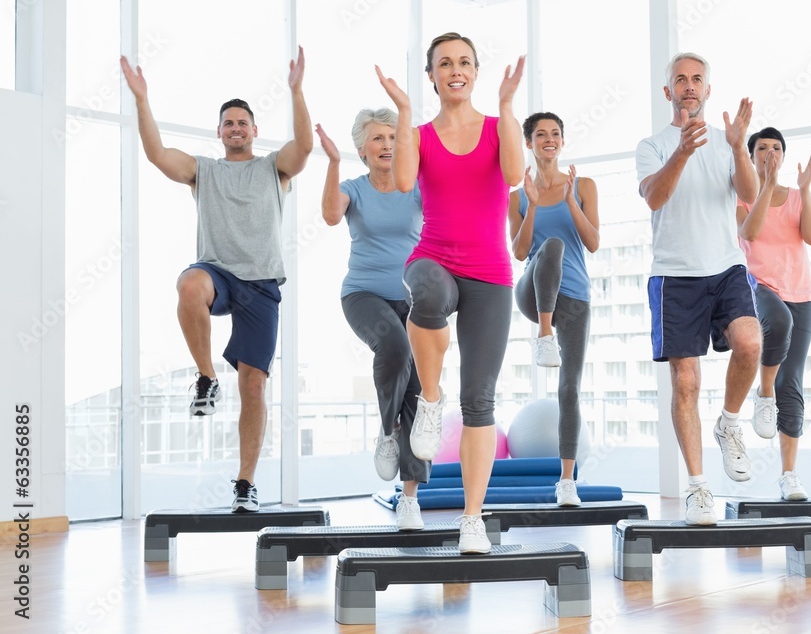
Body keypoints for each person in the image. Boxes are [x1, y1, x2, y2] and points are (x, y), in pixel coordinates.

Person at [120, 47, 313, 513]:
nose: (235, 128)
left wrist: (296, 90)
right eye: (228, 123)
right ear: (220, 132)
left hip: (262, 285)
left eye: (242, 122)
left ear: (254, 130)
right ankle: (206, 377)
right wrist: (143, 101)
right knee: (190, 284)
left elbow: (304, 148)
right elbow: (157, 153)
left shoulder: (274, 169)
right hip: (218, 274)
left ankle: (245, 483)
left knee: (253, 386)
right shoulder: (203, 171)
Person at [376, 32, 525, 553]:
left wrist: (507, 107)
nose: (455, 69)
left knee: (481, 400)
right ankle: (431, 400)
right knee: (426, 294)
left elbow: (513, 174)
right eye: (444, 63)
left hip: (490, 273)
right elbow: (400, 182)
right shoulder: (418, 133)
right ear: (433, 75)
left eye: (464, 62)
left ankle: (471, 519)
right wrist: (402, 112)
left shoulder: (494, 127)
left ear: (475, 72)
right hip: (433, 258)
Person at [635, 52, 761, 526]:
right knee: (685, 382)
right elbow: (654, 197)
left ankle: (729, 423)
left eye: (697, 79)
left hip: (725, 265)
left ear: (708, 89)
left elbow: (745, 192)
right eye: (680, 80)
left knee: (750, 342)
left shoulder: (727, 142)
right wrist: (683, 151)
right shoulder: (652, 145)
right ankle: (698, 488)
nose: (689, 86)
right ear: (667, 91)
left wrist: (737, 147)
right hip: (674, 273)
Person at [316, 109, 428, 530]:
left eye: (394, 138)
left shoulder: (416, 189)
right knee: (395, 348)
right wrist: (330, 163)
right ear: (363, 150)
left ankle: (410, 499)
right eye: (378, 139)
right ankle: (387, 431)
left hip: (414, 298)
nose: (387, 146)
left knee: (419, 391)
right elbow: (330, 214)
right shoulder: (354, 189)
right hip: (363, 294)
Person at [508, 111, 600, 506]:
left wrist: (569, 203)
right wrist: (530, 207)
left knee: (569, 390)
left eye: (556, 134)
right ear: (529, 143)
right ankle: (544, 335)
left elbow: (594, 242)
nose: (549, 139)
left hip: (575, 295)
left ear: (562, 141)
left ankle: (566, 480)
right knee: (553, 247)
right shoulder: (517, 195)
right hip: (533, 293)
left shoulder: (583, 185)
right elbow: (519, 251)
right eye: (541, 134)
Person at [737, 127, 811, 501]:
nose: (769, 152)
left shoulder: (798, 196)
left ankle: (789, 476)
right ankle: (763, 393)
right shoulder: (742, 196)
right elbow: (750, 234)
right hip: (763, 287)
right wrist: (767, 185)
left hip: (803, 293)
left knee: (794, 383)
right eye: (762, 148)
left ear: (783, 155)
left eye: (775, 148)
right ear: (752, 155)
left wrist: (807, 190)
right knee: (779, 323)